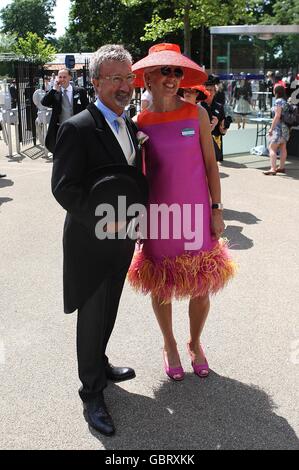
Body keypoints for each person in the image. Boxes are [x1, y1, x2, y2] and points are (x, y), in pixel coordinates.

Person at [51, 44, 148, 436]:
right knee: (91, 316)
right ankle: (91, 391)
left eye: (129, 78)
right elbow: (64, 189)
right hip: (91, 243)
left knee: (109, 308)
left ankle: (100, 362)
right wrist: (104, 222)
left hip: (121, 239)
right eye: (115, 79)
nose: (125, 86)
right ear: (95, 83)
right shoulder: (76, 128)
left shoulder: (130, 125)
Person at [128, 43, 235, 382]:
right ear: (148, 76)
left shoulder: (197, 114)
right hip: (159, 218)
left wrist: (217, 209)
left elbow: (210, 166)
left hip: (197, 214)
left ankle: (196, 342)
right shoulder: (139, 122)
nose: (172, 78)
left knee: (201, 286)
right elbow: (137, 176)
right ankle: (170, 344)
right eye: (165, 71)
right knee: (161, 285)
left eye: (176, 71)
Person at [41, 68, 89, 153]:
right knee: (62, 153)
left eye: (64, 77)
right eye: (60, 77)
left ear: (70, 77)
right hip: (60, 129)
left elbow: (86, 109)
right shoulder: (55, 92)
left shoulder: (80, 91)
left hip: (77, 128)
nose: (62, 79)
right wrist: (53, 89)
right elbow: (44, 102)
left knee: (77, 152)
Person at [201, 75, 230, 162]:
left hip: (216, 142)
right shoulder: (198, 106)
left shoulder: (219, 106)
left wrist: (223, 128)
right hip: (201, 142)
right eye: (207, 90)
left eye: (211, 90)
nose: (209, 92)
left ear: (215, 92)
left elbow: (222, 129)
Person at [263, 85, 290, 175]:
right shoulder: (285, 101)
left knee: (272, 147)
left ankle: (273, 168)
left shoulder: (278, 101)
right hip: (286, 128)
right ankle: (281, 167)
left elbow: (277, 116)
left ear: (276, 92)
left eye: (273, 89)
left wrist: (271, 129)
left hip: (278, 128)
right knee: (283, 147)